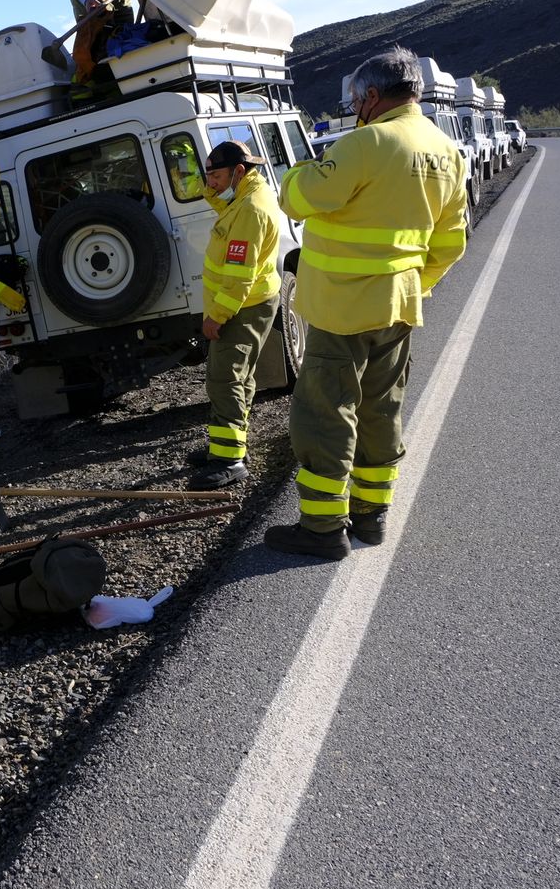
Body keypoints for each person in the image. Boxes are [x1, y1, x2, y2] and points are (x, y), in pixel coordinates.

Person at [266, 46, 467, 559]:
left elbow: (298, 198)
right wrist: (415, 283)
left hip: (340, 309)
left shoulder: (365, 143)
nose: (356, 106)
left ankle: (322, 528)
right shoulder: (447, 151)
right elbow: (450, 243)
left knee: (326, 413)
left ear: (372, 96)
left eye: (357, 98)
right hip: (399, 305)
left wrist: (293, 175)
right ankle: (371, 518)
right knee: (383, 409)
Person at [187, 140, 282, 491]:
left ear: (239, 172)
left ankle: (229, 461)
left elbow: (240, 275)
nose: (210, 182)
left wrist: (217, 317)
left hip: (242, 306)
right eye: (208, 175)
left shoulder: (250, 210)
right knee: (238, 378)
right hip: (246, 303)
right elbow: (223, 209)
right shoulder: (244, 197)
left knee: (225, 379)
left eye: (216, 175)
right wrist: (213, 187)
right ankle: (227, 445)